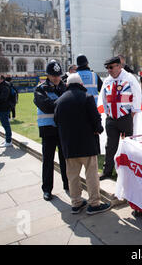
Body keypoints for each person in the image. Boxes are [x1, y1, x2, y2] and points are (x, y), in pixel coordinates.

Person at [54, 73, 111, 215]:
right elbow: (95, 118)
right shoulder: (87, 98)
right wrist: (99, 129)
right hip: (86, 144)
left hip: (69, 145)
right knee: (91, 174)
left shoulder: (59, 101)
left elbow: (56, 121)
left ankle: (76, 202)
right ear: (81, 84)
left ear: (67, 85)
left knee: (72, 176)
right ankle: (94, 203)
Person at [99, 56, 142, 180]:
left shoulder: (129, 78)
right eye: (107, 68)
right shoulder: (107, 80)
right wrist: (107, 113)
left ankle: (129, 171)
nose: (109, 70)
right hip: (111, 118)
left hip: (125, 117)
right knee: (110, 145)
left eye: (111, 67)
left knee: (128, 145)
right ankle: (107, 171)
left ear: (119, 66)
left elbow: (137, 96)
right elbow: (104, 97)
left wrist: (132, 113)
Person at [33, 60, 69, 201]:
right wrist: (63, 103)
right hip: (47, 128)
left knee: (65, 159)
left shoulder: (65, 87)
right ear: (48, 75)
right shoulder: (40, 89)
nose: (56, 78)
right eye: (53, 75)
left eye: (58, 75)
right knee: (48, 160)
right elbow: (46, 106)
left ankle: (67, 184)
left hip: (62, 127)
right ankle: (47, 189)